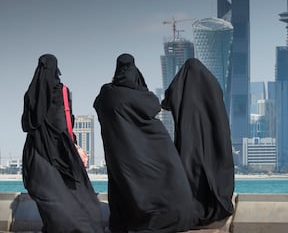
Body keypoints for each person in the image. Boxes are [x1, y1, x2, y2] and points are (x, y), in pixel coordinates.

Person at [93, 53, 196, 233]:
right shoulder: (141, 95)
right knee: (167, 177)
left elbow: (99, 105)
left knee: (124, 185)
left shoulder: (107, 93)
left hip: (120, 151)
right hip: (154, 143)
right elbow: (154, 105)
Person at [21, 54, 103, 233]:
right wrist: (72, 143)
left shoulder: (30, 93)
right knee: (72, 189)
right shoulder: (61, 90)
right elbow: (63, 121)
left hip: (36, 149)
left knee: (47, 191)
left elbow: (26, 125)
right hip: (59, 147)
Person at [162, 58, 235, 226]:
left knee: (190, 169)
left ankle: (191, 206)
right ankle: (214, 203)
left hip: (189, 138)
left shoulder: (180, 86)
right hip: (213, 137)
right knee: (214, 166)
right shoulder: (212, 84)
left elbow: (167, 101)